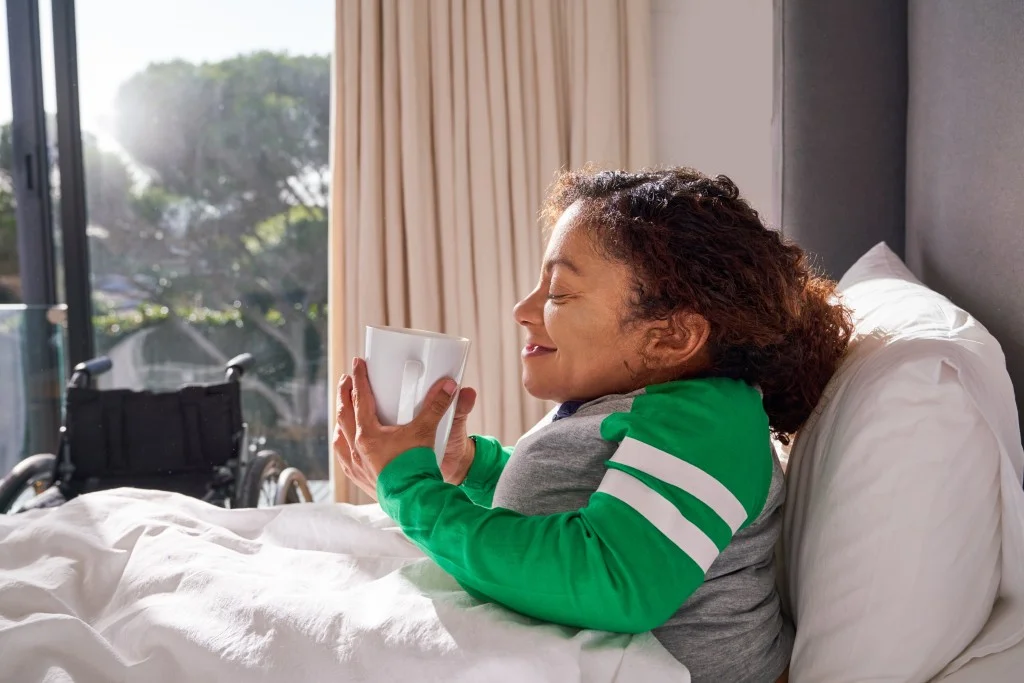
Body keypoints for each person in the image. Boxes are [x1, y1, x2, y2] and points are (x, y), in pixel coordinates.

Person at [334, 167, 853, 683]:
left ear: (672, 336)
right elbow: (586, 501)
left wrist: (411, 491)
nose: (522, 310)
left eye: (558, 293)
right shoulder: (638, 405)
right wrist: (470, 466)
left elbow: (615, 578)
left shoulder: (715, 419)